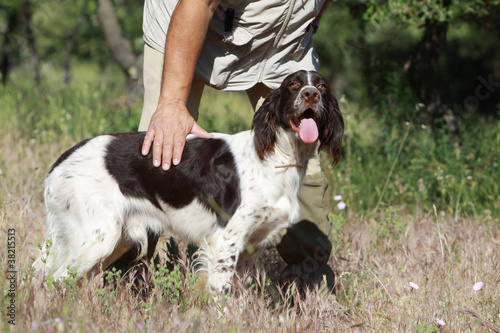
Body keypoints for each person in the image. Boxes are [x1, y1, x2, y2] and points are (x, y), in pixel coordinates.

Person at [140, 0, 335, 295]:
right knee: (159, 153)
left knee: (304, 162)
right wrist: (171, 103)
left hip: (283, 41)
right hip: (187, 20)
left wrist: (307, 23)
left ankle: (307, 283)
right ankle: (124, 274)